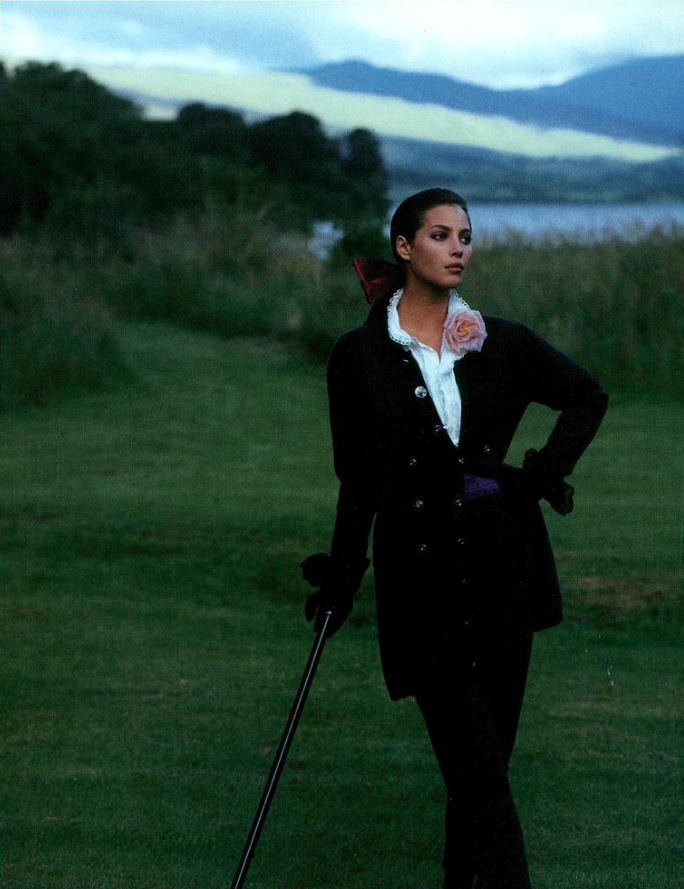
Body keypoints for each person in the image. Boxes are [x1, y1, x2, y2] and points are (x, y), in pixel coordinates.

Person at [302, 188, 608, 889]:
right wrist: (343, 575)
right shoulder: (359, 356)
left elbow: (587, 395)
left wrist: (540, 474)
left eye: (465, 236)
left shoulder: (501, 340)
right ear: (404, 247)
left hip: (505, 575)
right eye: (440, 235)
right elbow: (359, 480)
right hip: (422, 583)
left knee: (483, 775)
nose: (458, 248)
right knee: (479, 776)